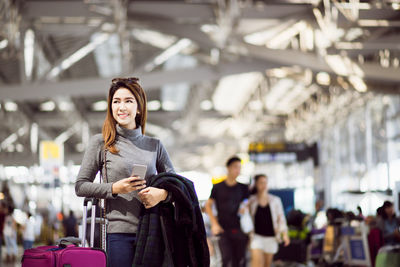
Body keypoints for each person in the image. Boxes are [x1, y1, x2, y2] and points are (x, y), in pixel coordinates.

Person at [75, 77, 174, 267]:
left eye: (128, 101)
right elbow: (80, 186)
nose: (121, 107)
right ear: (111, 107)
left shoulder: (155, 146)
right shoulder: (101, 143)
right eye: (116, 101)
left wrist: (161, 194)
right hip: (118, 234)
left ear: (138, 108)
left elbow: (177, 187)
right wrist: (114, 188)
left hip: (152, 232)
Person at [205, 156, 250, 267]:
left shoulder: (243, 187)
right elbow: (208, 205)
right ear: (228, 168)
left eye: (239, 167)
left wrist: (245, 206)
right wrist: (214, 224)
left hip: (240, 229)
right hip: (222, 228)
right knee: (226, 259)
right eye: (235, 167)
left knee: (240, 260)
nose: (238, 170)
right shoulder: (217, 187)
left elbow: (248, 201)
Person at [248, 174, 289, 267]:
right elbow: (246, 215)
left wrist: (285, 234)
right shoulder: (251, 200)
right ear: (256, 184)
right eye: (261, 183)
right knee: (256, 263)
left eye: (265, 182)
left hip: (271, 237)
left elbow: (281, 218)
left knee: (267, 264)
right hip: (256, 237)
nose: (263, 185)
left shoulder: (275, 200)